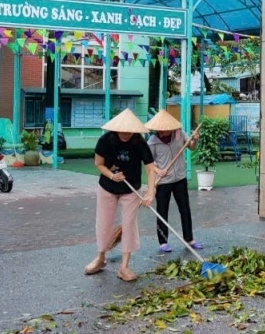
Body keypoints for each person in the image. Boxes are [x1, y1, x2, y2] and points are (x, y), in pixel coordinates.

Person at [84, 109, 157, 282]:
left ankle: (124, 267)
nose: (125, 134)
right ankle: (100, 258)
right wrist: (111, 175)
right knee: (104, 222)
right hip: (107, 187)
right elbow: (98, 164)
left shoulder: (139, 143)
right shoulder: (106, 140)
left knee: (129, 225)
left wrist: (150, 192)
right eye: (122, 130)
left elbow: (150, 169)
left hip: (131, 189)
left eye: (129, 131)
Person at [145, 110, 202, 253]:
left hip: (180, 179)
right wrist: (159, 171)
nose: (161, 132)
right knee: (162, 211)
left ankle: (189, 239)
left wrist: (195, 139)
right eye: (159, 129)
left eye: (164, 129)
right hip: (163, 182)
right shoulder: (152, 142)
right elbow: (148, 164)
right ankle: (163, 242)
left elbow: (191, 147)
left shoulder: (179, 134)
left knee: (185, 209)